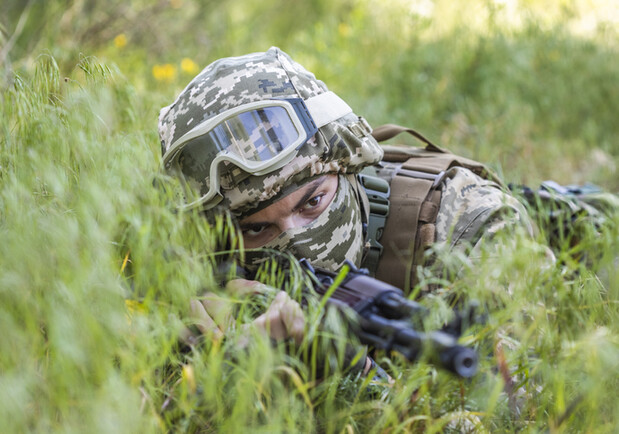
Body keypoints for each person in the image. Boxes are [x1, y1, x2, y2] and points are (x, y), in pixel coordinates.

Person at [158, 47, 539, 373]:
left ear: (349, 166)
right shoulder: (204, 267)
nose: (300, 245)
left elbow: (515, 414)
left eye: (313, 202)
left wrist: (347, 377)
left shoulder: (472, 228)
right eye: (258, 229)